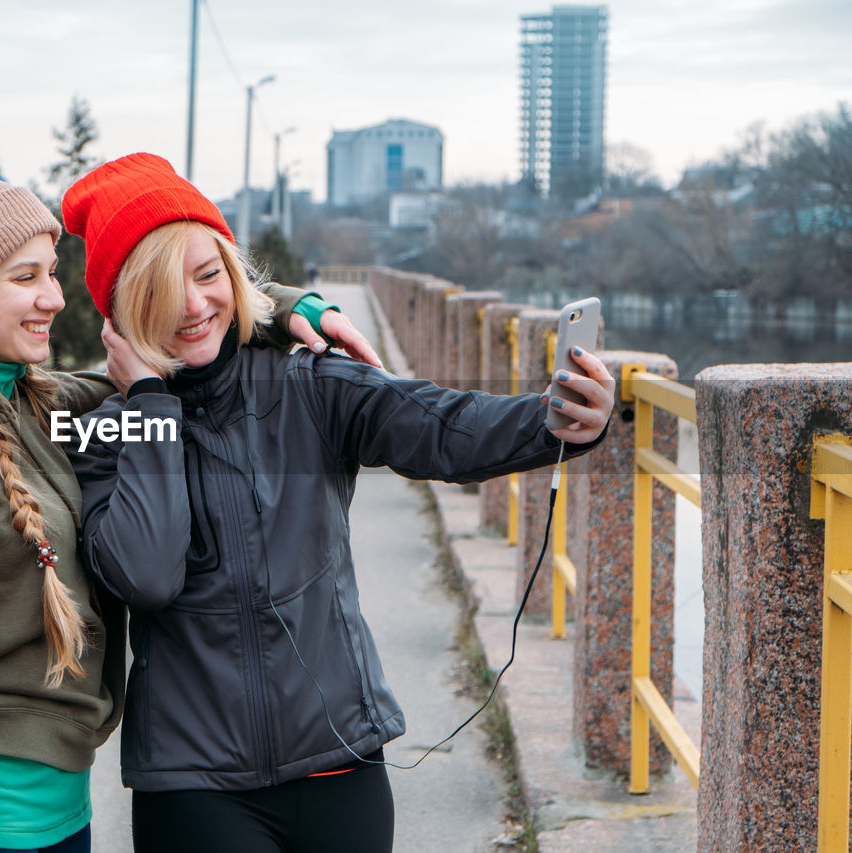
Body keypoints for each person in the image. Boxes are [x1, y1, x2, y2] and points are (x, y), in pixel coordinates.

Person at [0, 154, 381, 853]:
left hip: (60, 820)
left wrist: (285, 306)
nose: (53, 297)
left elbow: (168, 344)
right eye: (25, 278)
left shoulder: (35, 406)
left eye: (51, 272)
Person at [60, 152, 615, 853]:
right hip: (193, 784)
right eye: (163, 293)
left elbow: (438, 425)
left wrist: (555, 421)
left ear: (231, 273)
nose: (196, 306)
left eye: (208, 276)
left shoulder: (308, 383)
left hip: (339, 760)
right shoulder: (107, 432)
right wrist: (150, 408)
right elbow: (147, 572)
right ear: (122, 314)